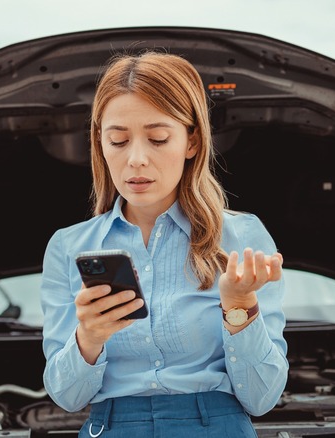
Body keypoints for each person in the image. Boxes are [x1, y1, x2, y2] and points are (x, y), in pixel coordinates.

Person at [40, 50, 288, 437]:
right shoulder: (66, 247)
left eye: (157, 138)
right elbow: (67, 397)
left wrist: (239, 307)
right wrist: (89, 337)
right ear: (99, 144)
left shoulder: (243, 237)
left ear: (192, 141)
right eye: (118, 141)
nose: (136, 159)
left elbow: (262, 398)